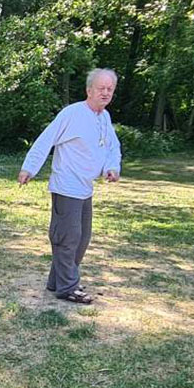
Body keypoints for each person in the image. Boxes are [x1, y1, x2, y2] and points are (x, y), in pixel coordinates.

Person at [18, 68, 122, 304]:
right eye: (101, 88)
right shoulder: (72, 114)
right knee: (67, 238)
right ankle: (68, 287)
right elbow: (46, 139)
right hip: (66, 186)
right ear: (89, 90)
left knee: (81, 239)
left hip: (85, 188)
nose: (105, 93)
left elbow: (111, 147)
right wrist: (29, 168)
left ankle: (57, 281)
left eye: (110, 89)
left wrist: (111, 168)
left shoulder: (104, 117)